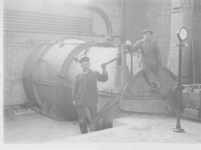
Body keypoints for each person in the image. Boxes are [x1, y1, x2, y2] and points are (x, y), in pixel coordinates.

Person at [72, 56, 108, 134]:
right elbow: (74, 88)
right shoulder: (78, 75)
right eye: (84, 64)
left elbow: (104, 79)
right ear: (81, 65)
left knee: (94, 118)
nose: (86, 66)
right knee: (82, 119)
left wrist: (104, 69)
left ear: (90, 64)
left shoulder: (95, 73)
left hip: (92, 99)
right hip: (81, 99)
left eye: (87, 64)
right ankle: (84, 134)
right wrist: (74, 99)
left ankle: (95, 133)